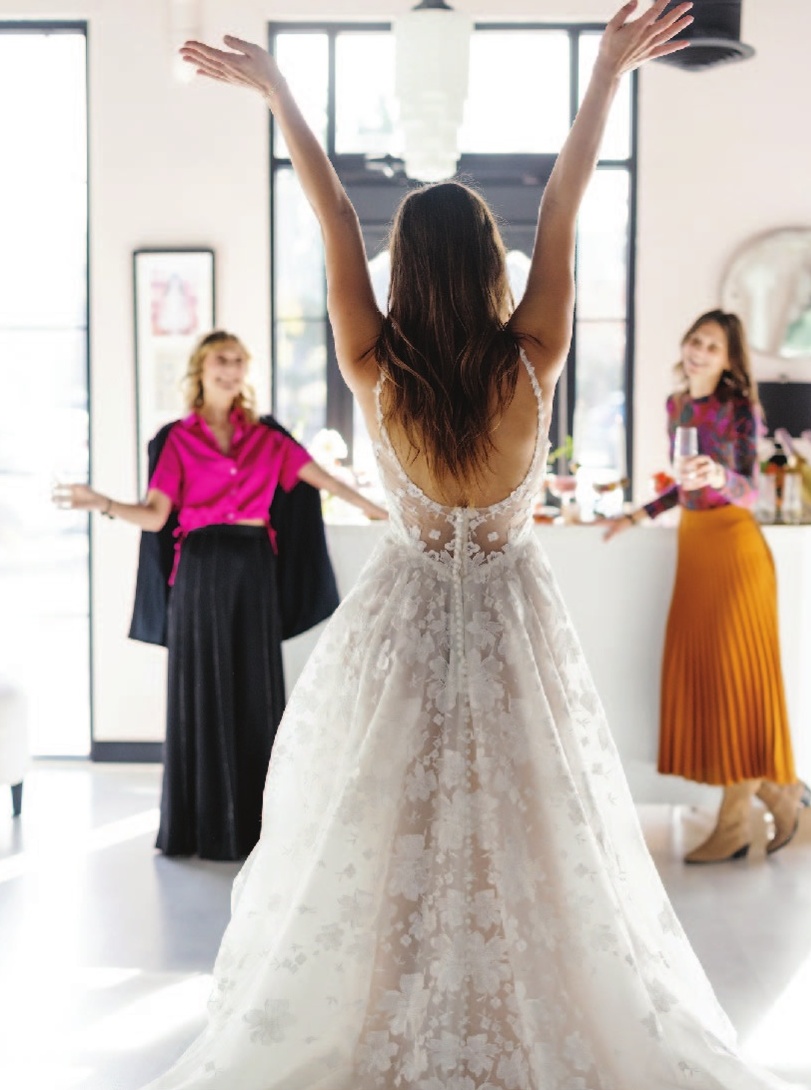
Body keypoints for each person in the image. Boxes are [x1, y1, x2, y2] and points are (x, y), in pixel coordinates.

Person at [133, 3, 804, 1087]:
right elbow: (565, 199)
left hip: (400, 631)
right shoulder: (531, 357)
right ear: (492, 262)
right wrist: (600, 79)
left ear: (405, 274)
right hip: (508, 625)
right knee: (529, 832)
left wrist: (279, 95)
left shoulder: (371, 365)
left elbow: (335, 218)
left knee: (387, 824)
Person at [54, 329, 387, 861]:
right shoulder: (177, 440)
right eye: (220, 361)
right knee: (203, 692)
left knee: (255, 691)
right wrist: (102, 502)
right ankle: (200, 829)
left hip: (255, 569)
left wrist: (386, 512)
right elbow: (156, 515)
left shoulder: (267, 437)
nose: (230, 370)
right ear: (200, 370)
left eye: (238, 361)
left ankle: (258, 829)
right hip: (200, 573)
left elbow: (325, 481)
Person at [604, 310, 809, 865]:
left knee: (736, 681)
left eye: (712, 347)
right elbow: (682, 483)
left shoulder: (739, 410)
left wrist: (720, 476)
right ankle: (779, 794)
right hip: (695, 546)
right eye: (695, 340)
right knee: (709, 681)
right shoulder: (679, 408)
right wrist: (638, 515)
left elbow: (747, 491)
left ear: (728, 360)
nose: (698, 351)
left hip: (735, 548)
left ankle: (735, 822)